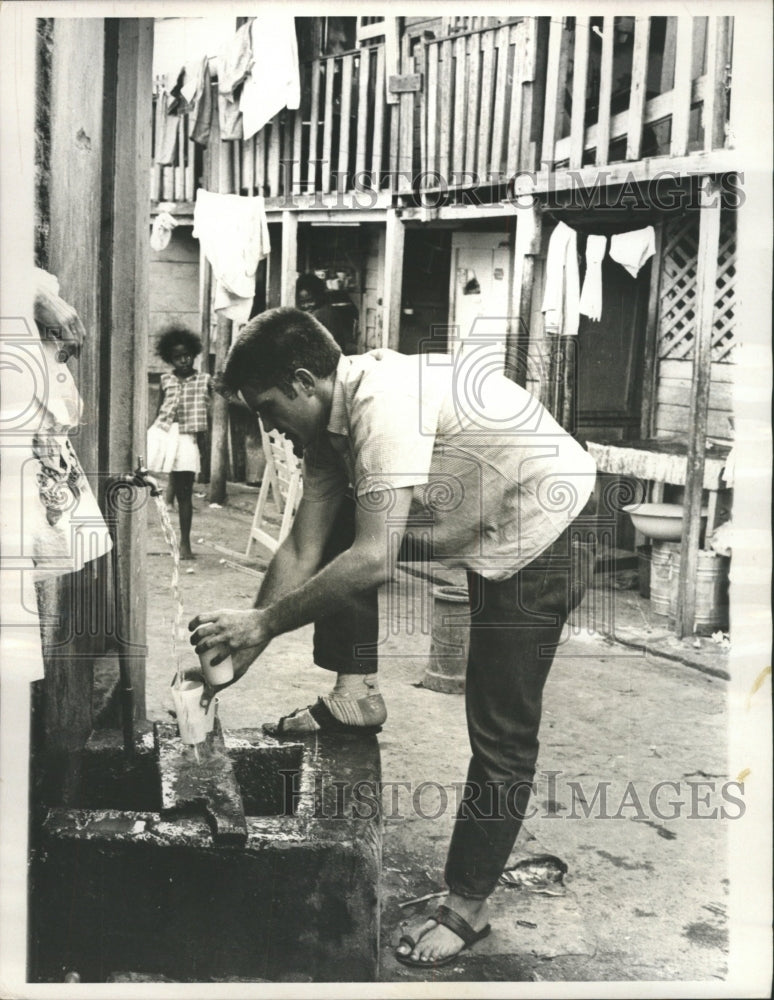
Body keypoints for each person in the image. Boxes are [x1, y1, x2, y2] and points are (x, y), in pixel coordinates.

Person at [188, 307, 597, 967]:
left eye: (268, 409)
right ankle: (356, 694)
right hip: (497, 514)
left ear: (301, 382)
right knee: (342, 529)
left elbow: (376, 558)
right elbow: (304, 546)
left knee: (500, 725)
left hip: (549, 526)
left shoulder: (384, 404)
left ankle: (467, 907)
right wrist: (240, 649)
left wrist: (265, 622)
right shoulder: (327, 430)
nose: (268, 428)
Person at [148, 325, 212, 559]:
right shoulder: (166, 380)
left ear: (194, 354)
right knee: (156, 478)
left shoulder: (204, 381)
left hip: (188, 436)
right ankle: (168, 497)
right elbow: (159, 411)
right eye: (177, 357)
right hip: (165, 433)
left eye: (187, 355)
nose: (183, 360)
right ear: (170, 359)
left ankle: (185, 543)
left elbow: (209, 414)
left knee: (186, 492)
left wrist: (204, 448)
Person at [296, 272, 359, 355]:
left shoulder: (321, 314)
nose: (306, 306)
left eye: (310, 301)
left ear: (318, 297)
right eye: (302, 302)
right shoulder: (319, 311)